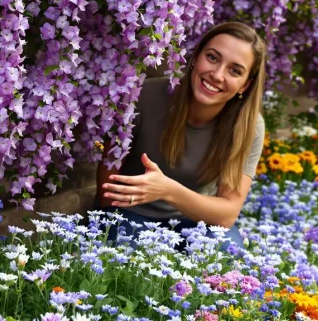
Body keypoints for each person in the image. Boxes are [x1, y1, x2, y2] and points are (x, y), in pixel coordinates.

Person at [95, 22, 267, 251]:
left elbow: (227, 214)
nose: (217, 75)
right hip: (129, 214)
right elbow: (108, 189)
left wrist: (168, 190)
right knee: (125, 252)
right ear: (195, 57)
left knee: (226, 248)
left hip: (191, 221)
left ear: (245, 85)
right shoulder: (141, 96)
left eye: (234, 70)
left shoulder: (249, 126)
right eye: (213, 58)